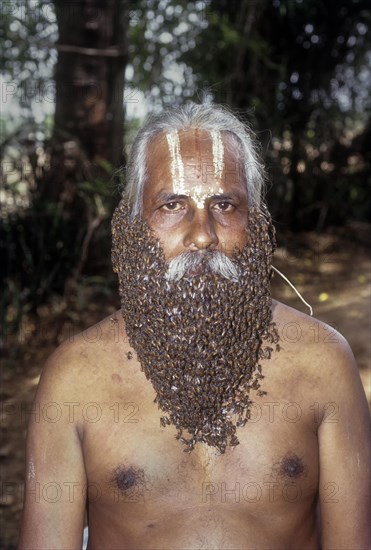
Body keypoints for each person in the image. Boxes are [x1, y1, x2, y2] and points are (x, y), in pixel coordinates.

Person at [19, 103, 370, 550]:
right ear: (131, 227)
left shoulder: (323, 362)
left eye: (225, 204)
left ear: (258, 225)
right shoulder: (75, 378)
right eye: (172, 205)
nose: (202, 234)